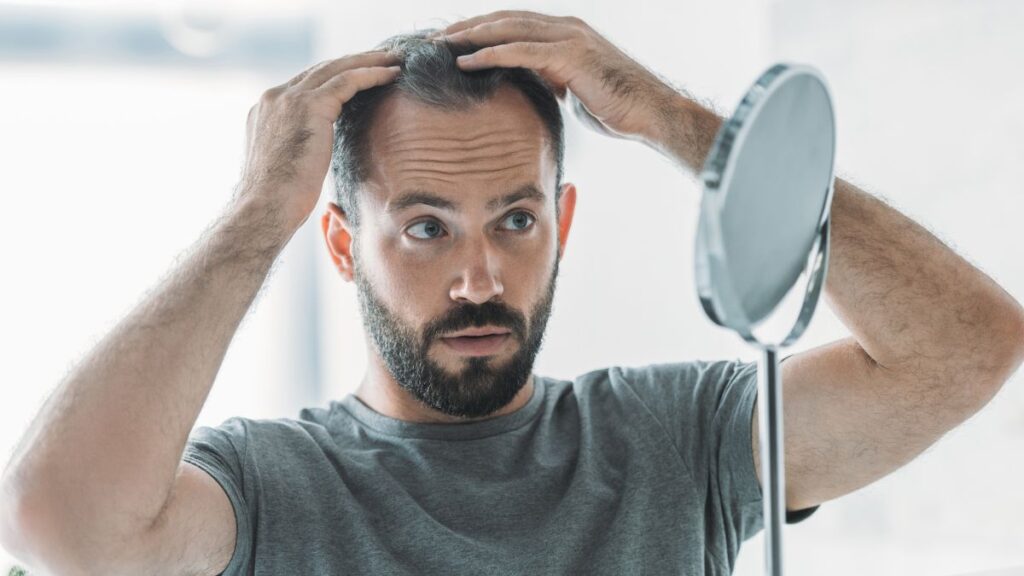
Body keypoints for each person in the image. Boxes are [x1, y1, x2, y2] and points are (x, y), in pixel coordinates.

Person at [2, 10, 1023, 576]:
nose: (479, 277)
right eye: (424, 227)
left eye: (516, 220)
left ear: (561, 224)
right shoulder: (270, 487)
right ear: (343, 246)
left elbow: (966, 349)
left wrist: (674, 122)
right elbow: (57, 519)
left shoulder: (674, 441)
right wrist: (252, 215)